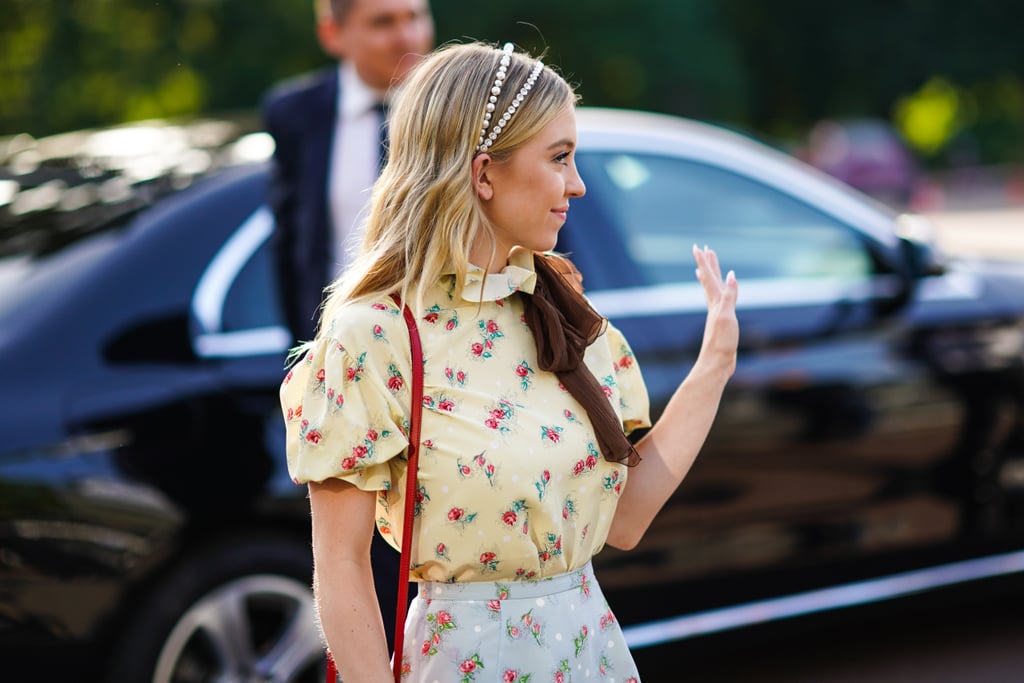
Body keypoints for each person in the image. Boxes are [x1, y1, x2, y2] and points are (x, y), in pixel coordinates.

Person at [280, 41, 739, 682]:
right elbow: (341, 564)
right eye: (559, 158)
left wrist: (713, 366)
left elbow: (627, 518)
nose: (577, 184)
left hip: (590, 653)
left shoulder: (556, 308)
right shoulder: (377, 335)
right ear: (484, 173)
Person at [263, 0, 435, 344]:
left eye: (415, 17)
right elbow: (289, 247)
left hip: (447, 349)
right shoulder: (295, 115)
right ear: (333, 34)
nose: (407, 37)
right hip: (342, 347)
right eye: (383, 23)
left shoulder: (470, 110)